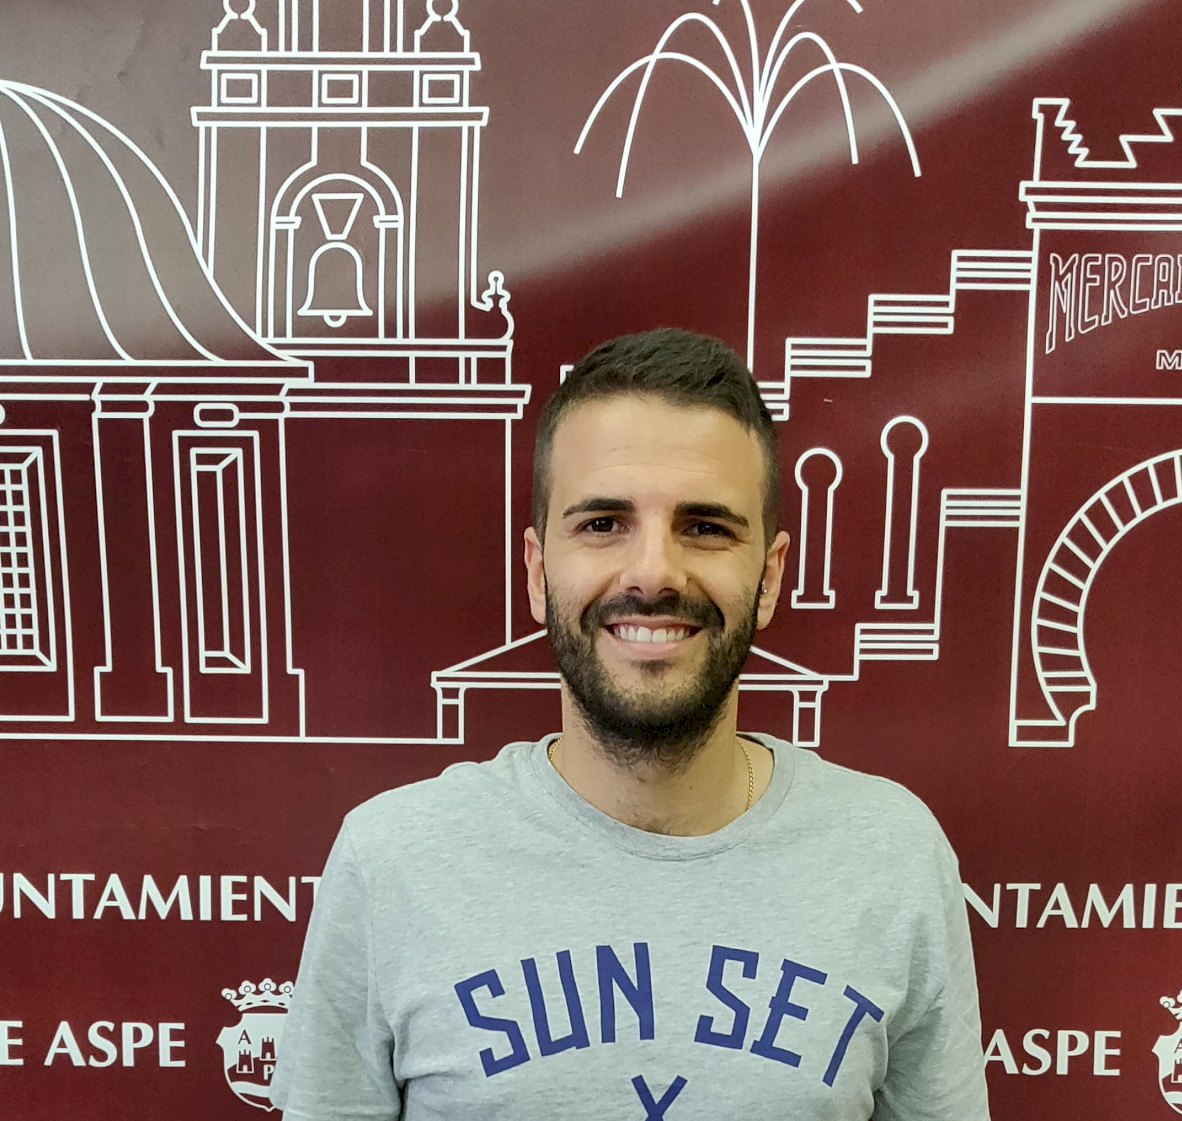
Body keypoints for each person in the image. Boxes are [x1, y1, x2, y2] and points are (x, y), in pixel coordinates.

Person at [270, 329, 990, 1120]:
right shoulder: (391, 863)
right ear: (537, 572)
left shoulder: (892, 855)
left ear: (770, 575)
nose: (653, 572)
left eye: (705, 526)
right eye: (603, 522)